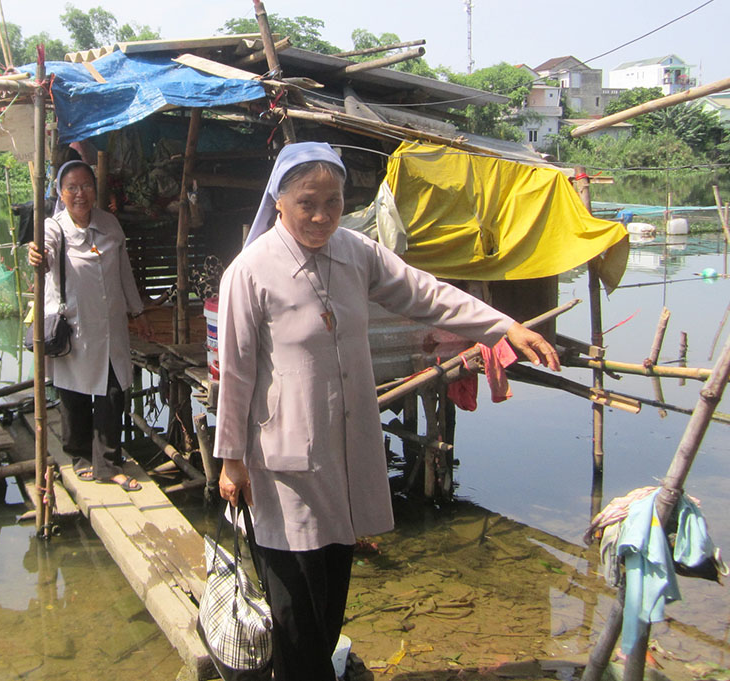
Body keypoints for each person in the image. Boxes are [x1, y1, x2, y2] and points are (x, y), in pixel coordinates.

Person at [214, 142, 560, 681]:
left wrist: (503, 326)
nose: (322, 215)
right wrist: (231, 461)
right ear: (279, 201)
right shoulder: (250, 272)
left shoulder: (356, 253)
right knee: (293, 602)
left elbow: (427, 294)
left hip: (346, 452)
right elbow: (234, 374)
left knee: (331, 585)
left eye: (334, 201)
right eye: (308, 202)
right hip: (283, 462)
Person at [28, 160, 152, 491]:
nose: (80, 194)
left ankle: (108, 464)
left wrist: (138, 313)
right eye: (72, 188)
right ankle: (81, 456)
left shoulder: (109, 224)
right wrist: (37, 256)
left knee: (114, 392)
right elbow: (46, 253)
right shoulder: (53, 228)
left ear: (95, 189)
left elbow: (124, 271)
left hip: (110, 327)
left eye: (86, 186)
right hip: (74, 327)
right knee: (73, 395)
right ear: (61, 192)